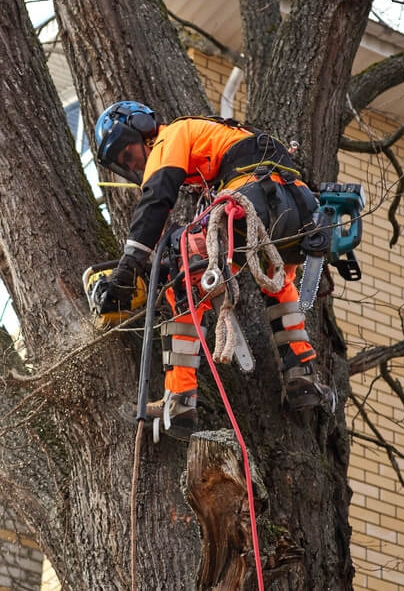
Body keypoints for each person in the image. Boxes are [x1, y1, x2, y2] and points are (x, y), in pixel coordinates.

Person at [93, 100, 334, 437]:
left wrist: (129, 265)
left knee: (182, 272)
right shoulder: (223, 141)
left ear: (142, 130)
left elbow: (156, 199)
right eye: (125, 163)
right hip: (297, 208)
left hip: (251, 198)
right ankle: (302, 377)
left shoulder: (171, 135)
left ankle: (179, 400)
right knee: (278, 281)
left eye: (129, 152)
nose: (133, 163)